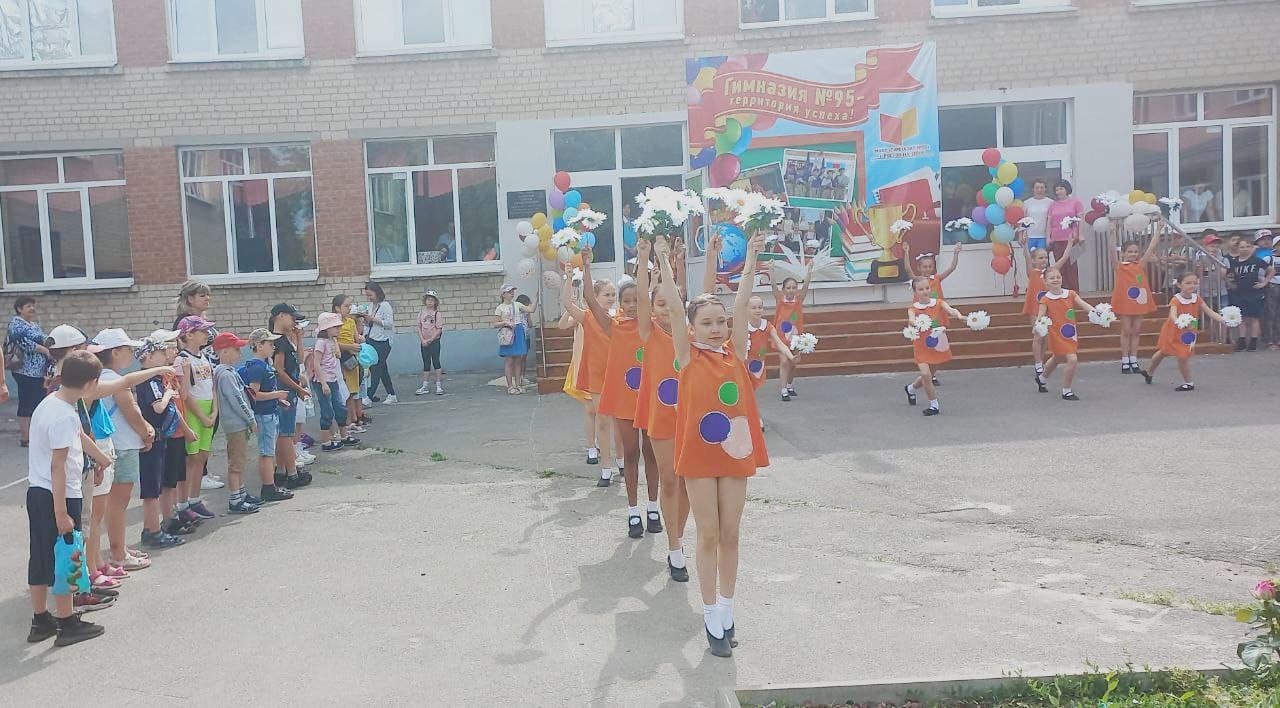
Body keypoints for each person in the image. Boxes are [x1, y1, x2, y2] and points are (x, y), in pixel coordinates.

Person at [657, 231, 769, 659]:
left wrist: (752, 257)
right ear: (690, 328)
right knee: (706, 533)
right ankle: (708, 615)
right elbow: (672, 301)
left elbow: (741, 303)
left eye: (720, 322)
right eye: (707, 322)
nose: (717, 327)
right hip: (699, 455)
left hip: (735, 452)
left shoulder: (734, 352)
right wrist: (664, 261)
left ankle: (727, 608)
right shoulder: (687, 355)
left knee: (730, 532)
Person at [25, 351, 110, 646]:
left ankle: (41, 620)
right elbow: (58, 466)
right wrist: (61, 513)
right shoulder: (63, 415)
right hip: (60, 495)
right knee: (66, 555)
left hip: (38, 491)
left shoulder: (53, 402)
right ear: (91, 384)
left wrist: (100, 458)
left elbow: (79, 435)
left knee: (40, 555)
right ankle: (66, 622)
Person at [583, 242, 660, 540]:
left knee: (651, 453)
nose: (630, 305)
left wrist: (646, 257)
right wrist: (587, 266)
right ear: (620, 303)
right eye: (625, 301)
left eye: (635, 300)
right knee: (630, 452)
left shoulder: (653, 326)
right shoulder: (613, 325)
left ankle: (653, 508)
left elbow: (666, 297)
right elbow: (590, 300)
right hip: (625, 400)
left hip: (650, 399)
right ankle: (632, 511)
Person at [634, 239, 690, 581]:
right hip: (662, 417)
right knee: (669, 480)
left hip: (691, 417)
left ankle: (677, 537)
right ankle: (674, 547)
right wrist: (645, 259)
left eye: (673, 303)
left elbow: (704, 293)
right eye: (660, 304)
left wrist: (676, 262)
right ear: (653, 309)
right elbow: (641, 297)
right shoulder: (649, 333)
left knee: (687, 484)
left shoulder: (692, 334)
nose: (667, 310)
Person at [94, 329, 156, 571]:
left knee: (112, 502)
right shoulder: (118, 381)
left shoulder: (98, 377)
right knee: (118, 503)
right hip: (124, 445)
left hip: (111, 445)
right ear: (115, 352)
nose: (132, 353)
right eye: (128, 349)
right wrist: (147, 433)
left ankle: (119, 548)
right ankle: (119, 554)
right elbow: (132, 413)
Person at [132, 334, 185, 548]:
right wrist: (169, 394)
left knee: (154, 486)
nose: (165, 356)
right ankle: (154, 531)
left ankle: (150, 528)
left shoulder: (147, 379)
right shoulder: (151, 380)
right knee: (152, 489)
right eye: (161, 353)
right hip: (153, 437)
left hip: (156, 437)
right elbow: (158, 407)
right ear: (149, 357)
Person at [173, 280, 224, 492]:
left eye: (208, 294)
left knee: (207, 437)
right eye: (202, 295)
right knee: (194, 447)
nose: (207, 299)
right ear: (190, 298)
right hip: (194, 385)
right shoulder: (184, 323)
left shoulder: (202, 322)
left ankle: (201, 472)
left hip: (207, 380)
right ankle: (197, 478)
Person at [1138, 272, 1231, 391]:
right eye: (1188, 283)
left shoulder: (1197, 298)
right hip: (1173, 330)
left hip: (1188, 333)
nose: (1192, 285)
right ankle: (1149, 372)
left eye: (1195, 283)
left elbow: (1210, 312)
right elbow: (1172, 314)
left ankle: (1188, 382)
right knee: (1163, 352)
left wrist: (1223, 320)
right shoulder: (1176, 299)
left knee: (1182, 356)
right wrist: (1178, 322)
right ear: (1179, 285)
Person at [240, 329, 294, 503]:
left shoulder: (263, 365)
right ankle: (268, 488)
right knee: (266, 453)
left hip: (270, 413)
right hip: (263, 415)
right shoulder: (257, 367)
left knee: (269, 451)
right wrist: (277, 395)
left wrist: (277, 400)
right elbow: (254, 394)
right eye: (270, 343)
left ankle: (271, 485)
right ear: (259, 345)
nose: (273, 346)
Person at [1018, 229, 1077, 382]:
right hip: (1035, 308)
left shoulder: (1051, 272)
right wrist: (1025, 245)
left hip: (1049, 309)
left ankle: (1042, 361)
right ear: (1034, 260)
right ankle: (1038, 364)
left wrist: (1070, 243)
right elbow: (1026, 257)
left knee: (1045, 337)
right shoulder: (1032, 272)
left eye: (1045, 257)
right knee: (1038, 335)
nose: (1044, 260)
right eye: (1040, 257)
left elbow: (1064, 258)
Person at [175, 316, 218, 522]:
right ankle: (183, 503)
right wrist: (202, 416)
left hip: (208, 409)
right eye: (202, 331)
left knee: (202, 456)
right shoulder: (182, 360)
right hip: (193, 412)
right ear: (189, 335)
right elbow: (185, 394)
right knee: (190, 459)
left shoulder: (205, 357)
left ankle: (195, 499)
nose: (207, 334)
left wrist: (214, 411)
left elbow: (212, 386)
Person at [212, 332, 260, 515]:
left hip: (238, 423)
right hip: (236, 423)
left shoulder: (228, 372)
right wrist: (251, 419)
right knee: (236, 463)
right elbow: (237, 399)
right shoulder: (225, 375)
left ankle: (241, 493)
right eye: (236, 349)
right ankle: (235, 500)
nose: (240, 353)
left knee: (240, 460)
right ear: (224, 352)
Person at [903, 276, 965, 416]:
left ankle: (911, 388)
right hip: (921, 345)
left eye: (927, 288)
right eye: (921, 289)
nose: (925, 291)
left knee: (928, 376)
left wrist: (960, 316)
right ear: (915, 292)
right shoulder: (913, 309)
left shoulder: (938, 303)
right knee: (926, 374)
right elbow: (911, 320)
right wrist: (914, 323)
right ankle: (934, 405)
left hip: (937, 343)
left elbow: (951, 310)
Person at [1035, 268, 1100, 400]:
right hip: (1056, 334)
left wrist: (1095, 312)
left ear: (1061, 278)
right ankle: (1066, 391)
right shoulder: (1045, 299)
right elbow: (1040, 316)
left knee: (1057, 358)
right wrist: (1038, 325)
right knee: (1072, 359)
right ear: (1045, 282)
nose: (1055, 280)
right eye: (1051, 278)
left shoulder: (1070, 294)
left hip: (1070, 333)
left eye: (1058, 277)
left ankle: (1041, 378)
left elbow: (1084, 304)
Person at [270, 303, 312, 489]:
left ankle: (281, 471)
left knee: (285, 433)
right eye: (291, 317)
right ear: (280, 316)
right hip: (285, 391)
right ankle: (292, 473)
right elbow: (279, 370)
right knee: (286, 434)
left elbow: (299, 360)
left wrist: (299, 338)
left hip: (290, 390)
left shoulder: (285, 340)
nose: (294, 321)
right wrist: (298, 388)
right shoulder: (278, 341)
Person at [1108, 230, 1161, 374]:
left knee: (1136, 330)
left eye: (1136, 251)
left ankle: (1134, 358)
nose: (1133, 254)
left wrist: (1159, 229)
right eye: (1130, 251)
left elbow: (1152, 246)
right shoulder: (1119, 266)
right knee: (1126, 330)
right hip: (1126, 301)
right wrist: (1112, 233)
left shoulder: (1140, 264)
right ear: (1123, 253)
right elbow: (1112, 250)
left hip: (1139, 300)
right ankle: (1125, 360)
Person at [308, 312, 359, 453]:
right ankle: (326, 441)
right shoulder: (320, 343)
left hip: (333, 379)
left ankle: (344, 436)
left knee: (340, 408)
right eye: (335, 327)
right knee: (327, 411)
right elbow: (316, 363)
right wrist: (323, 383)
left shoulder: (330, 341)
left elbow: (338, 355)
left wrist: (335, 340)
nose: (338, 329)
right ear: (326, 328)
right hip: (323, 381)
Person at [769, 257, 813, 402]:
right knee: (784, 362)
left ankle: (789, 385)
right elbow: (773, 285)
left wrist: (809, 271)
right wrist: (771, 270)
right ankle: (783, 390)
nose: (791, 290)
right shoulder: (779, 299)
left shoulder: (799, 299)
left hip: (795, 338)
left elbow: (806, 286)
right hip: (782, 338)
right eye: (788, 288)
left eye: (794, 287)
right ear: (783, 290)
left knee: (793, 363)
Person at [8, 296, 49, 447]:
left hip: (38, 372)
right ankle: (25, 438)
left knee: (38, 403)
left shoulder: (33, 325)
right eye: (28, 306)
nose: (32, 308)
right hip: (24, 370)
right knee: (26, 402)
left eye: (33, 305)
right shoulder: (16, 324)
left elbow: (43, 338)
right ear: (19, 309)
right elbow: (24, 343)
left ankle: (36, 435)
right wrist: (45, 350)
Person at [1225, 234, 1273, 351]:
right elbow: (1227, 274)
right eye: (1242, 247)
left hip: (1254, 292)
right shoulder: (1234, 262)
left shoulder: (1256, 260)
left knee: (1254, 317)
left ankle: (1253, 340)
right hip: (1239, 292)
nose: (1245, 249)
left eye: (1247, 246)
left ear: (1252, 248)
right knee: (1242, 317)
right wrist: (1230, 283)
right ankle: (1242, 340)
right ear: (1237, 249)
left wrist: (1264, 282)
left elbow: (1271, 270)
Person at [744, 295, 794, 394]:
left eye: (760, 307)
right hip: (744, 364)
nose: (757, 310)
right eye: (754, 308)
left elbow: (780, 343)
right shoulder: (743, 326)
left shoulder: (767, 325)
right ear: (747, 310)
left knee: (752, 391)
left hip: (759, 363)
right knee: (746, 391)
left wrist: (791, 357)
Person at [332, 295, 367, 433]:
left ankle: (352, 420)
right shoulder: (332, 323)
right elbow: (333, 343)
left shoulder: (351, 322)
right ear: (337, 308)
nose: (349, 308)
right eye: (346, 306)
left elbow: (355, 338)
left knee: (352, 391)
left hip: (351, 359)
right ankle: (345, 422)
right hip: (340, 360)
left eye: (350, 306)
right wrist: (350, 346)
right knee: (343, 392)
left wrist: (360, 339)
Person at [494, 285, 536, 395]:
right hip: (508, 333)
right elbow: (495, 323)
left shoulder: (517, 304)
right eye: (509, 291)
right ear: (503, 294)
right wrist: (505, 322)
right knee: (509, 360)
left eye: (513, 291)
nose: (512, 293)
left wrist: (536, 298)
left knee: (518, 360)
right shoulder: (500, 308)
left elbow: (531, 310)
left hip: (518, 331)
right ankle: (510, 386)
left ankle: (518, 385)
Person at [362, 282, 397, 404]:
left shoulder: (385, 306)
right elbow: (368, 325)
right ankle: (391, 394)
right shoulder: (371, 306)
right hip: (371, 339)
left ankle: (368, 396)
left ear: (377, 293)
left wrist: (373, 319)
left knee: (377, 367)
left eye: (370, 295)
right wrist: (366, 325)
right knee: (381, 368)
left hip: (383, 341)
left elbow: (389, 324)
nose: (369, 298)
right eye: (367, 295)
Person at [1047, 179, 1084, 291]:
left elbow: (1080, 220)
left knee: (1072, 267)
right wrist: (1048, 237)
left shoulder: (1076, 202)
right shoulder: (1053, 205)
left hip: (1072, 239)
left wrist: (1080, 235)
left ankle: (1074, 293)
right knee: (1060, 267)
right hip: (1057, 240)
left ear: (1067, 190)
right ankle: (1061, 292)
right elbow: (1049, 222)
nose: (1059, 191)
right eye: (1057, 189)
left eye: (1061, 189)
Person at [416, 290, 445, 396]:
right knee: (426, 363)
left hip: (434, 341)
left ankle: (438, 385)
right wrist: (422, 340)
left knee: (436, 362)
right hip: (424, 342)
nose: (430, 302)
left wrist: (431, 339)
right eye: (428, 300)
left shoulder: (437, 314)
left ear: (435, 302)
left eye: (432, 300)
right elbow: (419, 327)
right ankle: (425, 386)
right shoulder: (421, 313)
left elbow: (439, 329)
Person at [1254, 229, 1280, 349]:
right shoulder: (1267, 258)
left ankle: (1278, 338)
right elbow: (1260, 273)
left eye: (1268, 239)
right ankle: (1269, 339)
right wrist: (1263, 283)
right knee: (1270, 314)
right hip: (1271, 287)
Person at [1022, 179, 1054, 252]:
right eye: (1037, 188)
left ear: (1045, 189)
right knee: (1030, 257)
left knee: (1042, 257)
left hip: (1044, 237)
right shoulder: (1027, 202)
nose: (1039, 190)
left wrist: (1050, 237)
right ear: (1033, 189)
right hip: (1030, 236)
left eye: (1042, 187)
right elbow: (1024, 220)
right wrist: (1021, 235)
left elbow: (1052, 220)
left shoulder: (1050, 202)